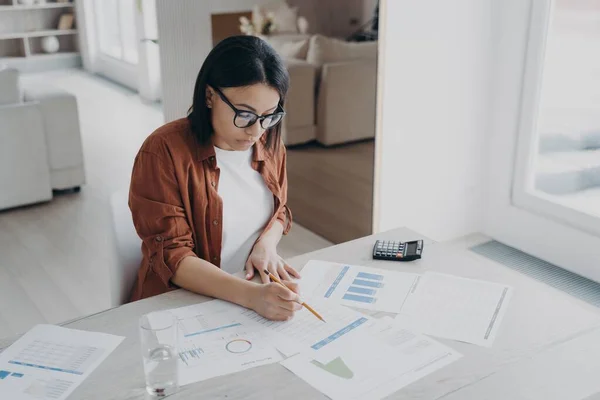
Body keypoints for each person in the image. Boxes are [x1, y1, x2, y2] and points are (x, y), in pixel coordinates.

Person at [128, 35, 302, 321]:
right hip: (180, 305)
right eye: (244, 115)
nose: (257, 131)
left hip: (249, 295)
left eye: (269, 116)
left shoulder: (270, 144)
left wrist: (265, 246)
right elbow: (173, 256)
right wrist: (252, 297)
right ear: (209, 96)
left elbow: (280, 211)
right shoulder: (162, 151)